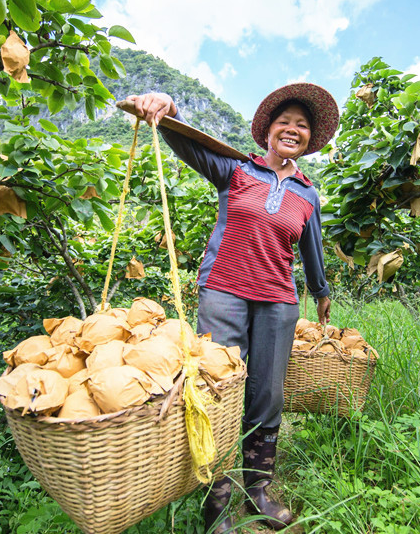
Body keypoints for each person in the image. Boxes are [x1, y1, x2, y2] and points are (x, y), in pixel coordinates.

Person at [128, 83, 336, 532]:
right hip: (224, 290)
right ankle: (216, 500)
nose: (292, 130)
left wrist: (321, 292)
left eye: (302, 126)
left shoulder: (307, 193)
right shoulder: (237, 170)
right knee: (220, 389)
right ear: (268, 131)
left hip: (279, 301)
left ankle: (258, 490)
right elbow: (188, 143)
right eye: (285, 122)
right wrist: (167, 108)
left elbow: (312, 246)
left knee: (267, 396)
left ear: (309, 139)